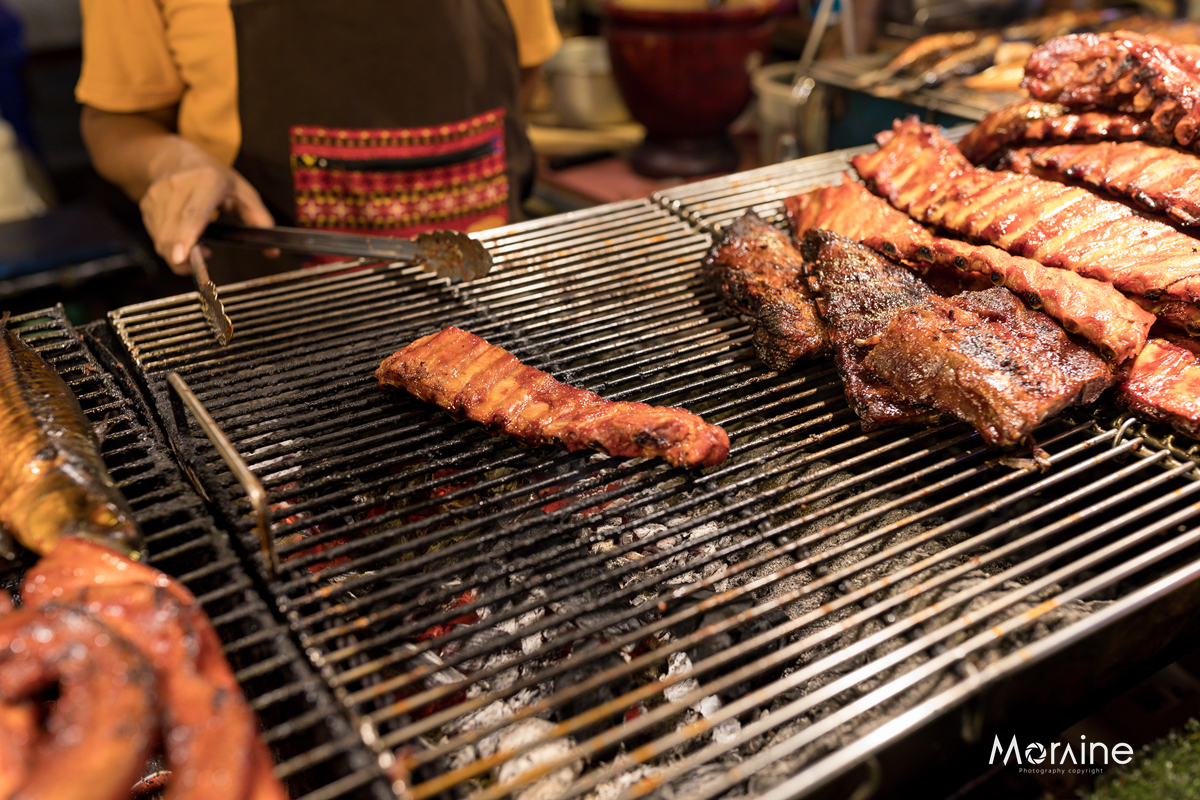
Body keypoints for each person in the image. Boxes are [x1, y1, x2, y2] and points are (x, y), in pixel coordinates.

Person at [75, 0, 561, 275]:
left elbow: (522, 74)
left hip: (490, 290)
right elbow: (114, 122)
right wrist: (172, 163)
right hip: (279, 326)